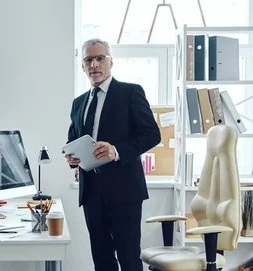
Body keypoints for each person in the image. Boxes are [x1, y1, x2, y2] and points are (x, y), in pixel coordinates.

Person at [65, 38, 161, 271]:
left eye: (100, 58)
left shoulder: (130, 92)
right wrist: (71, 157)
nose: (94, 64)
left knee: (128, 260)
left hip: (124, 191)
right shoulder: (79, 103)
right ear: (83, 66)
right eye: (89, 59)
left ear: (111, 62)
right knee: (102, 260)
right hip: (91, 192)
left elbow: (152, 134)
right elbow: (72, 139)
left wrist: (116, 151)